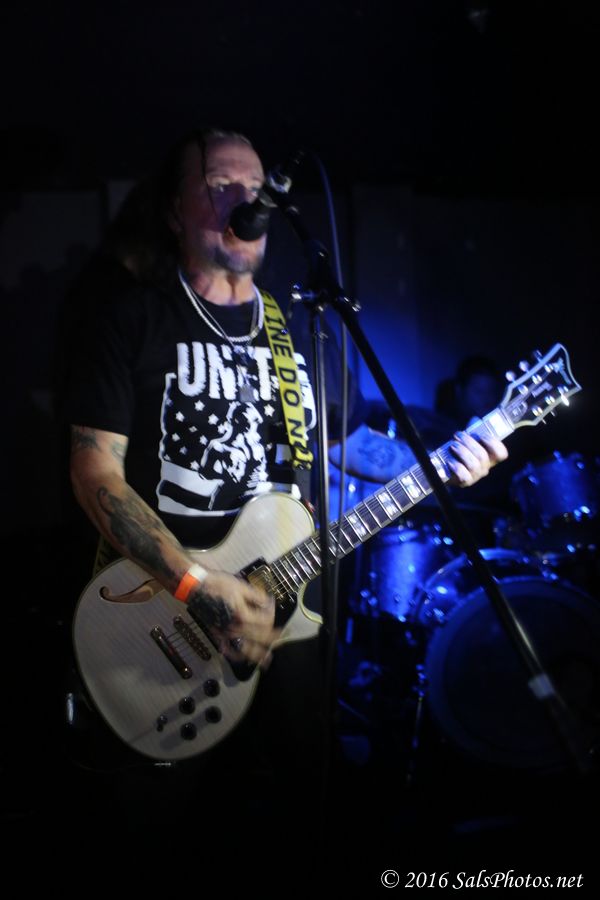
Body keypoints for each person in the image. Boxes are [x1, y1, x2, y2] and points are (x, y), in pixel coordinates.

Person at [63, 127, 508, 857]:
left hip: (287, 622)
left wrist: (446, 462)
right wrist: (194, 584)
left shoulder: (299, 332)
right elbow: (95, 474)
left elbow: (352, 448)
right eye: (220, 186)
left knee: (301, 823)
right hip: (162, 620)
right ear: (175, 210)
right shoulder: (130, 317)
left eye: (257, 186)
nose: (247, 200)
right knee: (153, 839)